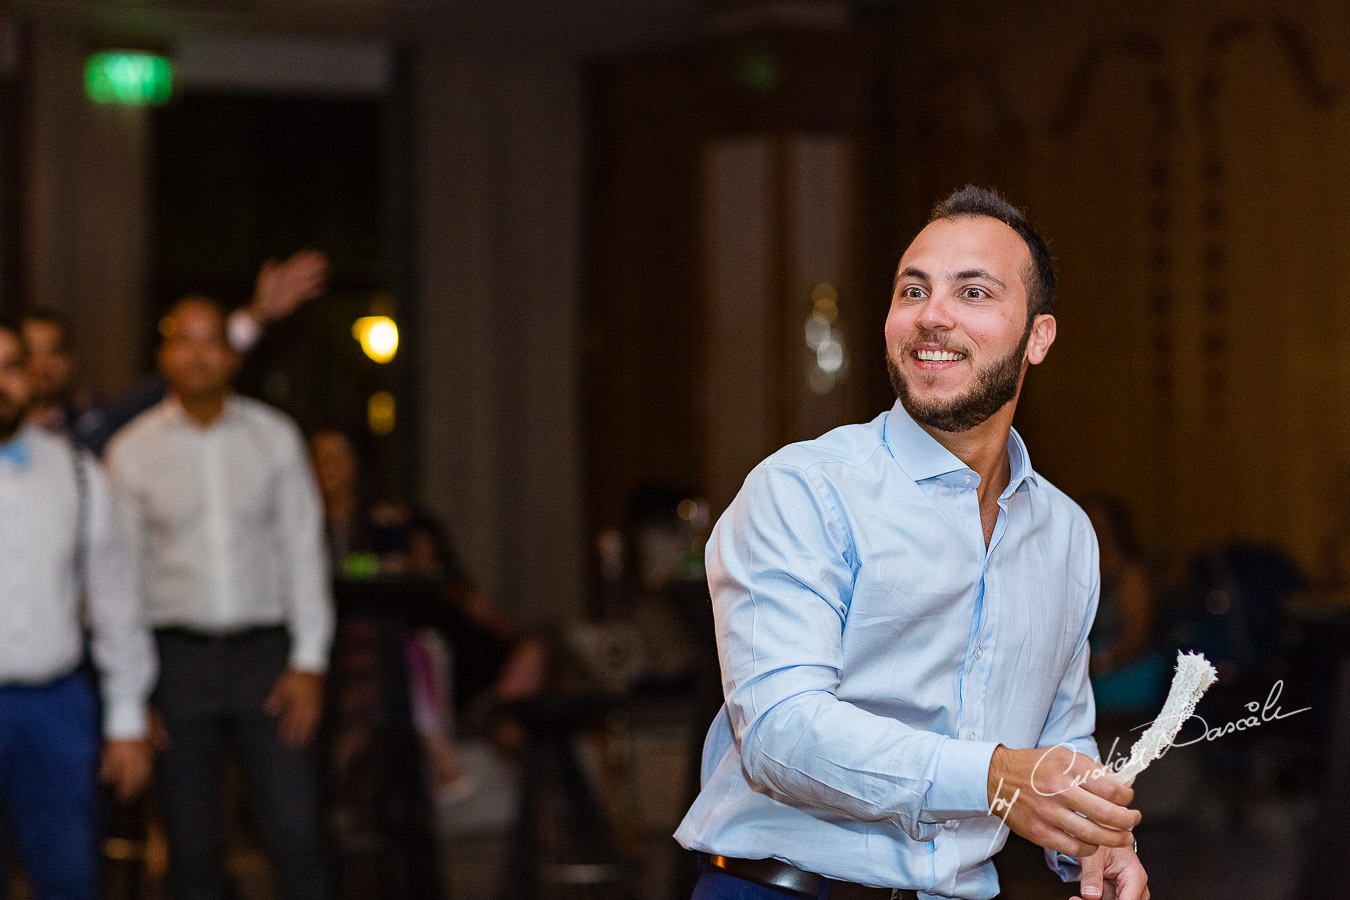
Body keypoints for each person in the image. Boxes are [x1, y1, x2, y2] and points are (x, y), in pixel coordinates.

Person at [674, 187, 1149, 900]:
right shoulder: (805, 490)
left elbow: (1060, 737)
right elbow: (780, 735)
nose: (933, 315)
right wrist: (993, 777)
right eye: (913, 289)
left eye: (974, 291)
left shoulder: (1066, 534)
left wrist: (1095, 840)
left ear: (1038, 336)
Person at [106, 297, 333, 900]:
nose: (199, 353)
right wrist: (133, 692)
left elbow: (303, 552)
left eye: (212, 341)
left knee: (297, 834)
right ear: (165, 355)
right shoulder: (131, 452)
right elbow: (118, 582)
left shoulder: (275, 438)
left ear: (233, 356)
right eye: (185, 340)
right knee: (192, 847)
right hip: (175, 662)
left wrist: (309, 660)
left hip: (267, 657)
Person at [0, 316, 155, 900]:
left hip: (56, 707)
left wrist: (127, 720)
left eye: (11, 366)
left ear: (30, 377)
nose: (0, 382)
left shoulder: (76, 471)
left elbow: (116, 601)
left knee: (69, 877)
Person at [23, 249, 328, 455]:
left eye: (55, 351)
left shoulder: (96, 424)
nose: (42, 364)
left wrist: (258, 315)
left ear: (72, 361)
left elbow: (185, 372)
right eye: (30, 353)